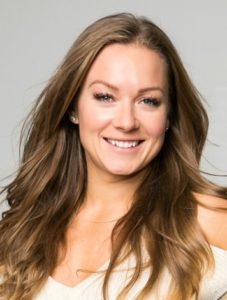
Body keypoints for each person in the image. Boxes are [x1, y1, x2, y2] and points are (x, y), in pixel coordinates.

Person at [0, 12, 227, 300]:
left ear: (168, 116)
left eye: (148, 101)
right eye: (105, 97)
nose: (126, 122)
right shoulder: (21, 234)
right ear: (73, 108)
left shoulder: (206, 221)